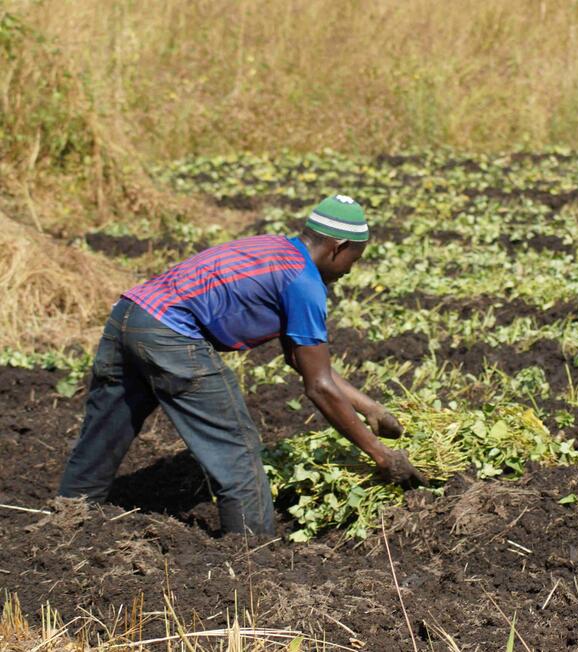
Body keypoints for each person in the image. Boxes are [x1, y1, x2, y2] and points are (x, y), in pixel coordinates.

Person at [59, 195, 426, 535]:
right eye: (354, 260)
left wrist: (371, 409)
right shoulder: (305, 283)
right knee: (237, 446)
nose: (350, 271)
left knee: (107, 427)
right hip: (172, 333)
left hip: (130, 314)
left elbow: (300, 360)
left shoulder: (278, 250)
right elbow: (319, 387)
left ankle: (68, 519)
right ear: (339, 247)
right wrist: (382, 457)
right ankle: (252, 554)